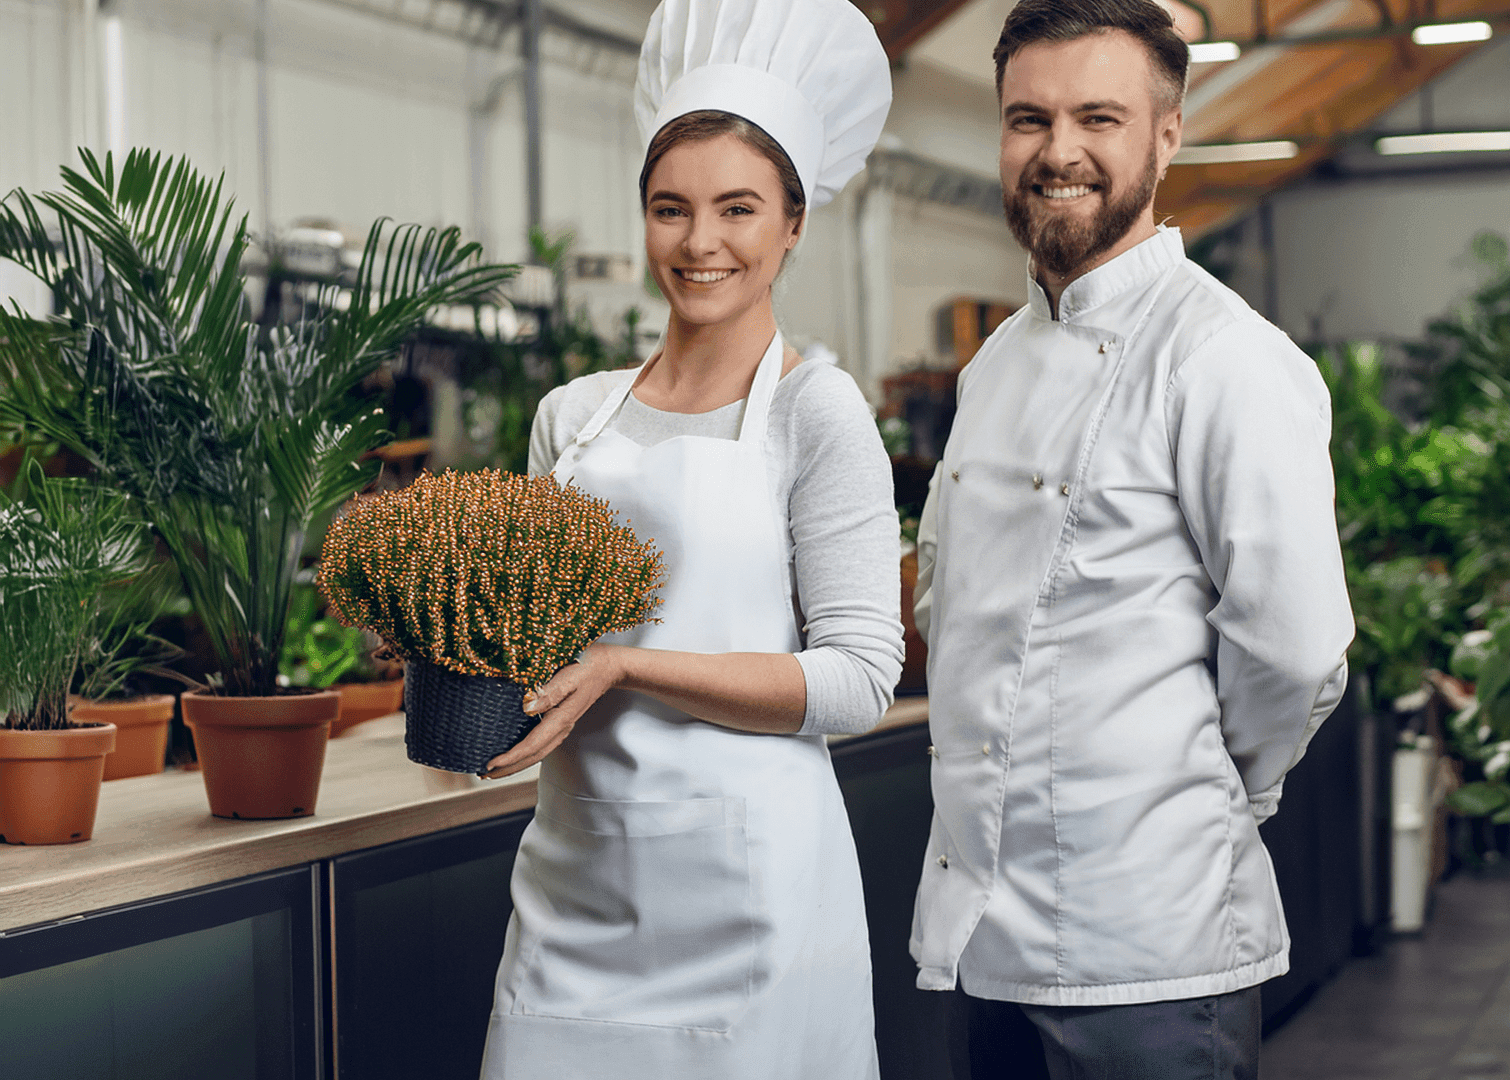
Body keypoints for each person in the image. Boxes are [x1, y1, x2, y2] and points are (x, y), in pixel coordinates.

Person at [909, 1, 1355, 1077]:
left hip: (1150, 956)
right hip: (987, 942)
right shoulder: (991, 368)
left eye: (1096, 117)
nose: (1057, 151)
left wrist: (1195, 798)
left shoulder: (1225, 359)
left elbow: (1293, 652)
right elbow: (949, 604)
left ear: (1166, 134)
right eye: (1028, 119)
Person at [476, 0, 899, 1076]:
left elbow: (857, 681)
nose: (700, 242)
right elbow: (531, 646)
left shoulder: (818, 411)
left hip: (754, 905)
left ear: (793, 224)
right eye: (671, 209)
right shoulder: (573, 418)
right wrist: (449, 636)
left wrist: (625, 664)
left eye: (738, 209)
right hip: (577, 882)